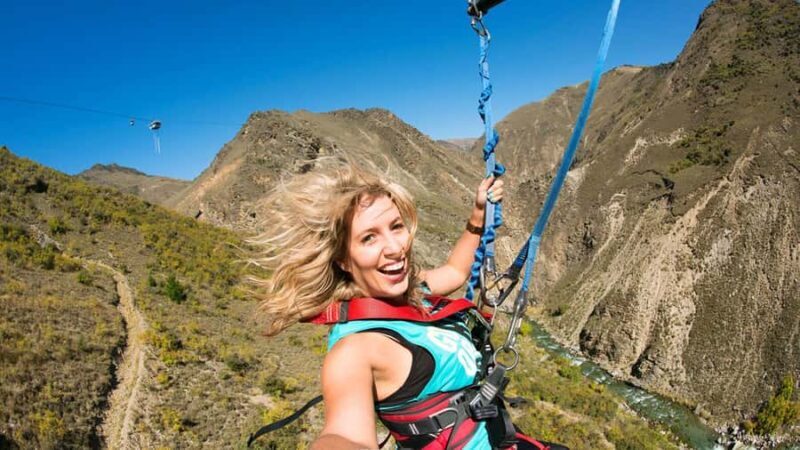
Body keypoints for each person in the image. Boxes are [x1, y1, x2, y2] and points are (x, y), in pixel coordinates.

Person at [249, 159, 514, 449]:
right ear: (343, 259)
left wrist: (477, 216)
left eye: (396, 226)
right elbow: (343, 437)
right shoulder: (354, 351)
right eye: (369, 237)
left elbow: (453, 273)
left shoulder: (408, 289)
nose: (395, 248)